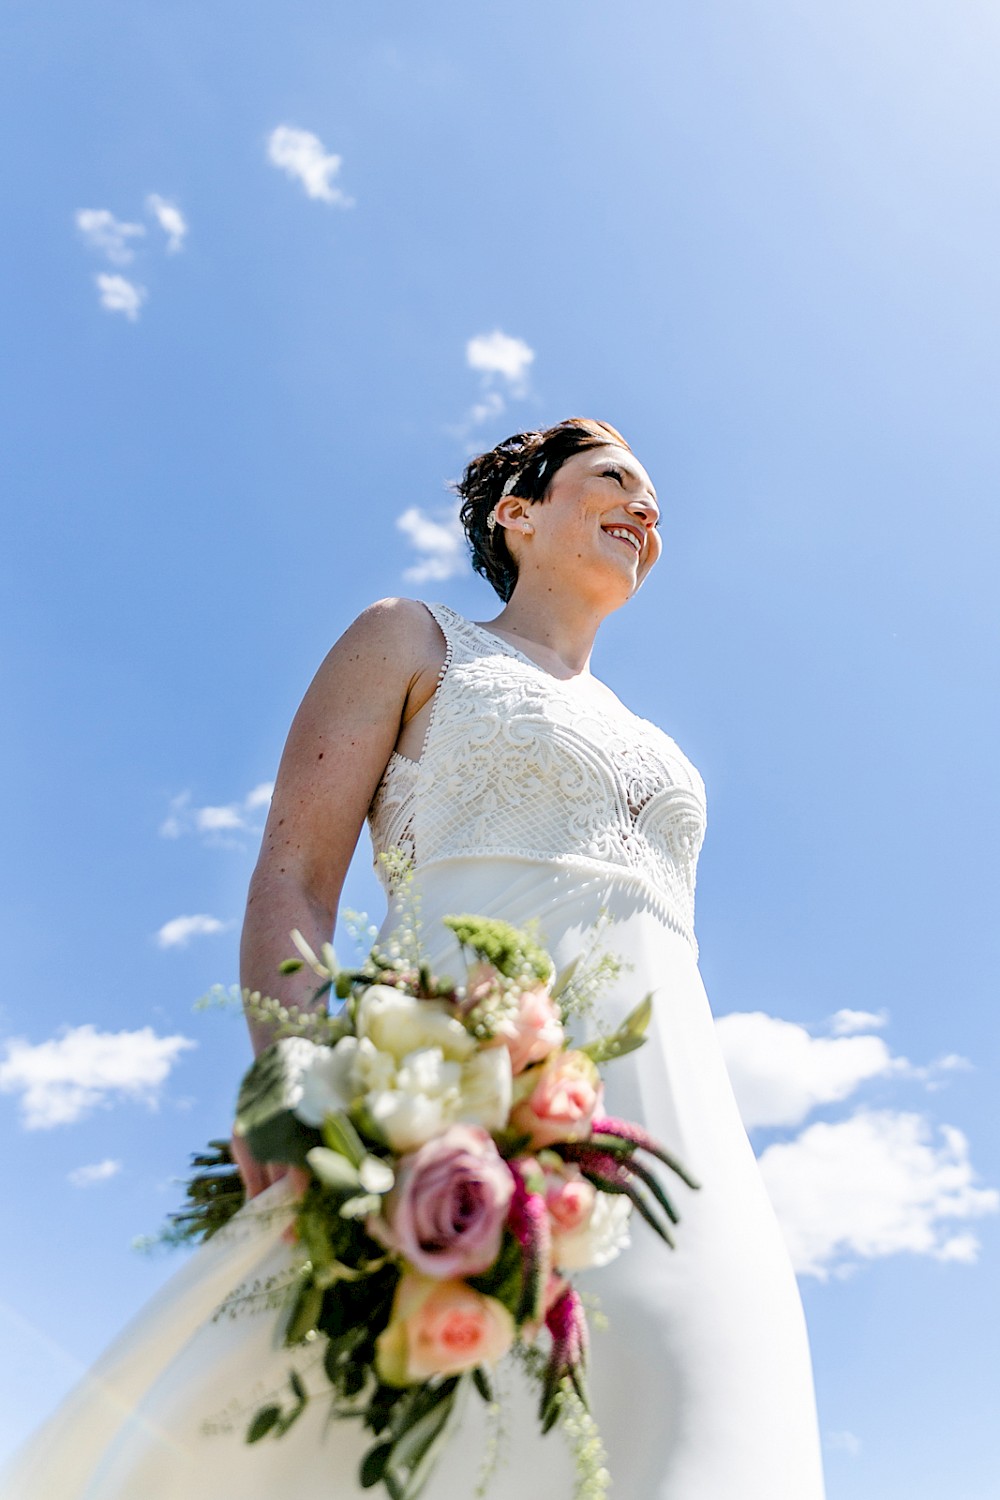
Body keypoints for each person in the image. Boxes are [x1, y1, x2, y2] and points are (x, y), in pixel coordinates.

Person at [2, 418, 827, 1498]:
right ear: (516, 513)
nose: (646, 508)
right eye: (615, 478)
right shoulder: (413, 638)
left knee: (694, 1425)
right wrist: (291, 1075)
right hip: (450, 1101)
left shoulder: (653, 739)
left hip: (680, 1136)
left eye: (654, 499)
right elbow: (294, 875)